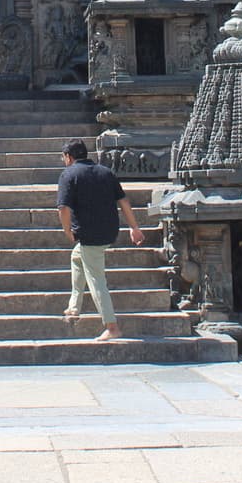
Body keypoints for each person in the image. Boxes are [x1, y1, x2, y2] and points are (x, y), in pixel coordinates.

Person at [56, 139, 145, 342]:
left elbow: (63, 208)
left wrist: (67, 231)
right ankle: (74, 306)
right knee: (77, 258)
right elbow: (123, 200)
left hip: (89, 234)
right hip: (109, 231)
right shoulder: (106, 172)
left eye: (63, 158)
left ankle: (111, 326)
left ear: (68, 157)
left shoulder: (68, 174)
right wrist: (134, 228)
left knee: (96, 279)